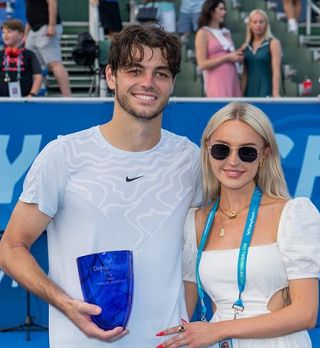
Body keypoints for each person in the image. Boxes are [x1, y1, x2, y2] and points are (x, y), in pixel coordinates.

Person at [0, 24, 201, 348]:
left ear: (172, 83)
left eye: (160, 73)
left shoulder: (190, 160)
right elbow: (10, 247)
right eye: (135, 70)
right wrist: (65, 304)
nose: (148, 83)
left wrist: (185, 318)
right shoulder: (64, 155)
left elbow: (200, 252)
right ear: (111, 77)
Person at [156, 102, 320, 347]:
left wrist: (217, 330)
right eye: (222, 150)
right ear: (208, 149)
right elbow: (182, 307)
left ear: (264, 154)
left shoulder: (292, 214)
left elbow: (305, 313)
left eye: (247, 152)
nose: (233, 161)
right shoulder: (195, 221)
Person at [195, 0, 242, 98]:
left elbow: (232, 55)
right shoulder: (203, 33)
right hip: (216, 81)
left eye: (224, 9)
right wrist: (227, 58)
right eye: (221, 9)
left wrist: (237, 56)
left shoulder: (226, 32)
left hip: (232, 79)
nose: (224, 12)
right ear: (211, 11)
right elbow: (202, 64)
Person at [24, 0, 71, 96]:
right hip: (34, 30)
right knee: (32, 65)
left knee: (54, 63)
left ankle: (68, 97)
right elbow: (31, 11)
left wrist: (51, 25)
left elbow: (52, 2)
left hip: (45, 27)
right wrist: (26, 34)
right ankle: (35, 93)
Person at [241, 9, 282, 98]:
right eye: (255, 22)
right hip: (250, 90)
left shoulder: (273, 43)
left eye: (261, 22)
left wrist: (275, 93)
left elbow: (276, 70)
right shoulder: (246, 46)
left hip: (266, 89)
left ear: (266, 24)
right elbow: (245, 73)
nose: (258, 25)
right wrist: (241, 93)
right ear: (250, 25)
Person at [0, 19, 42, 97]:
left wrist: (32, 95)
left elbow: (38, 77)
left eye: (9, 32)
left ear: (20, 35)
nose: (5, 35)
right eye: (3, 32)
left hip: (24, 100)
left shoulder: (29, 55)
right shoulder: (1, 54)